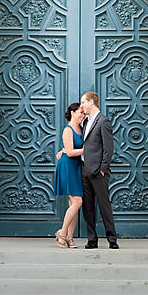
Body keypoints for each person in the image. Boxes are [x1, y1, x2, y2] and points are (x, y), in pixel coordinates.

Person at [78, 91, 119, 249]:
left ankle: (112, 239)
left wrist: (102, 169)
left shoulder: (104, 121)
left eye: (83, 102)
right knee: (88, 207)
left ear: (91, 102)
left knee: (104, 205)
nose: (82, 106)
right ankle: (92, 239)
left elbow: (108, 148)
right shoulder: (86, 122)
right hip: (85, 170)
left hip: (98, 172)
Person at [54, 102, 85, 248]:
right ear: (72, 112)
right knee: (78, 201)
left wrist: (64, 150)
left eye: (84, 113)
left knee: (74, 204)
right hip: (67, 166)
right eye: (80, 112)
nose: (83, 115)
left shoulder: (82, 128)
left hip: (77, 166)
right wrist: (87, 149)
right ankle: (62, 232)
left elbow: (70, 149)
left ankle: (70, 238)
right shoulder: (68, 129)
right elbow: (71, 152)